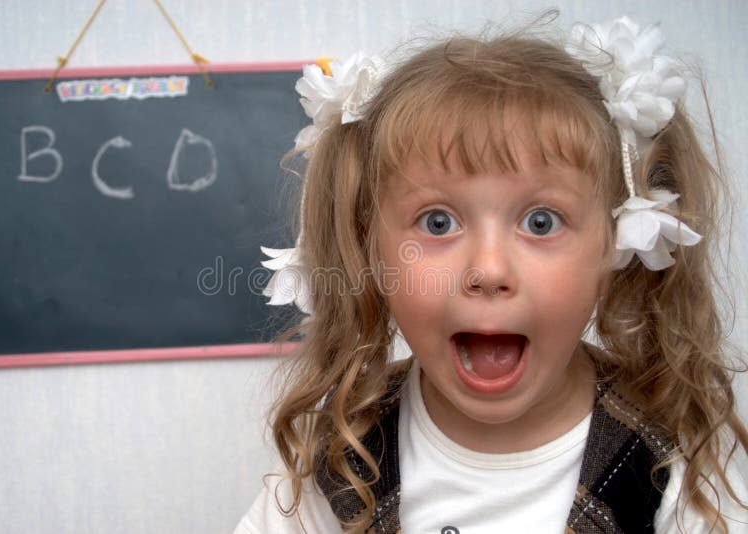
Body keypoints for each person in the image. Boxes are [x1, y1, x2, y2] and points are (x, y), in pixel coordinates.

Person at [236, 13, 748, 534]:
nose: (487, 270)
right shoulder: (340, 456)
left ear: (619, 241)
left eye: (541, 222)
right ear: (370, 248)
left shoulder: (674, 462)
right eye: (438, 222)